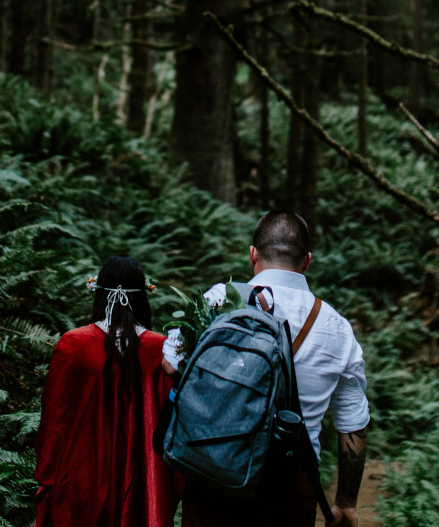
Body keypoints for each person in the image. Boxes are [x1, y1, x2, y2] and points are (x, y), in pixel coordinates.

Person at [173, 211, 369, 527]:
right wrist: (345, 503)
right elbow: (353, 426)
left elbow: (171, 364)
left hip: (215, 471)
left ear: (253, 255)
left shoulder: (219, 300)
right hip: (289, 486)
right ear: (307, 261)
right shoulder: (337, 329)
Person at [35, 255, 181, 527]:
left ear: (98, 292)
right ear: (143, 296)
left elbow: (54, 423)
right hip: (142, 484)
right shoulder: (162, 351)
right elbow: (172, 426)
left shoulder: (73, 345)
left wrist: (47, 477)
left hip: (80, 480)